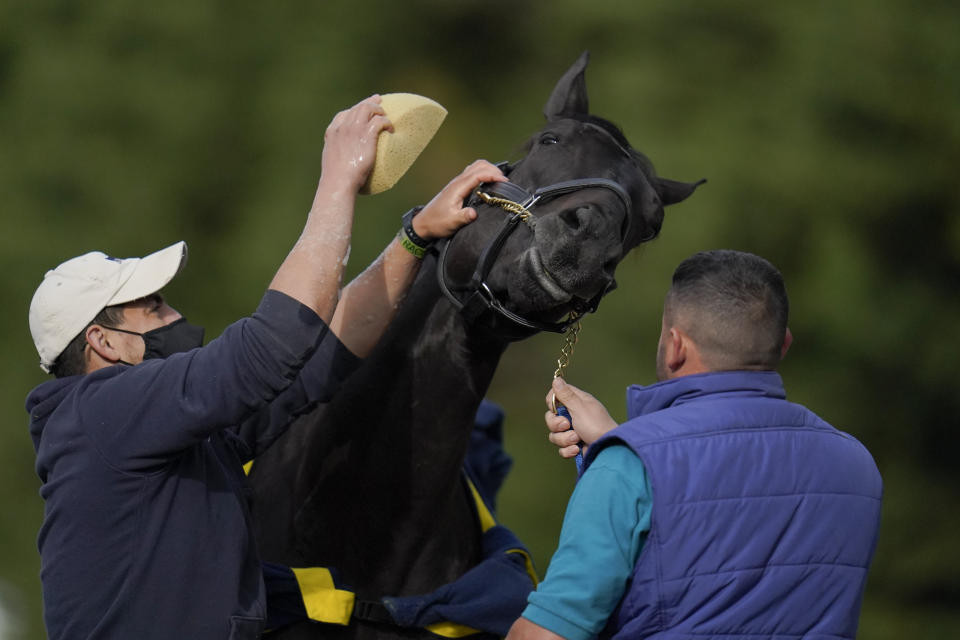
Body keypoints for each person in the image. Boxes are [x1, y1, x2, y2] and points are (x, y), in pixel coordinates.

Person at [26, 95, 506, 640]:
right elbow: (275, 343)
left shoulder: (173, 438)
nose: (175, 315)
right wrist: (337, 181)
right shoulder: (103, 409)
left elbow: (324, 351)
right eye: (153, 307)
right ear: (104, 343)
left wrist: (415, 236)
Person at [506, 249, 883, 640]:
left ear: (675, 346)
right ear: (784, 343)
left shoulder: (626, 469)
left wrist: (623, 460)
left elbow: (547, 634)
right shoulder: (857, 465)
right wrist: (618, 446)